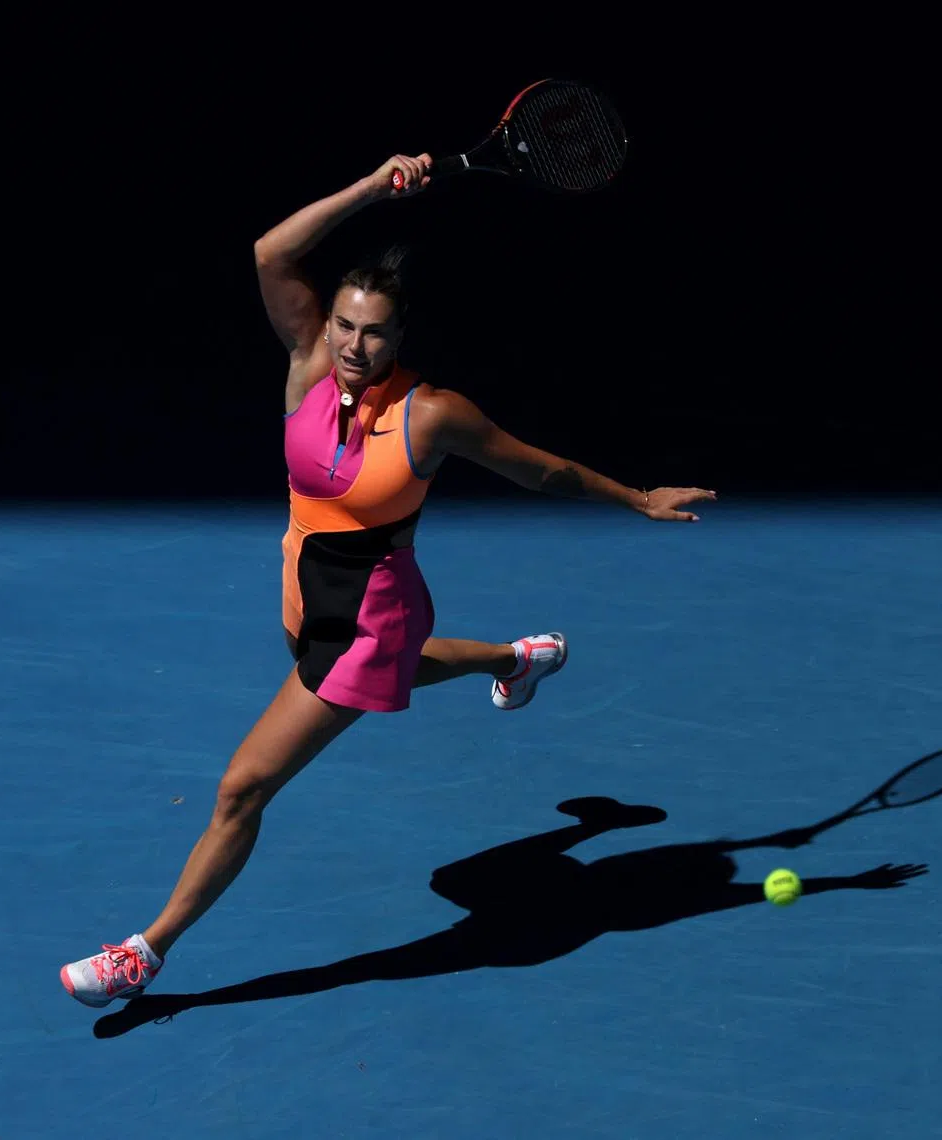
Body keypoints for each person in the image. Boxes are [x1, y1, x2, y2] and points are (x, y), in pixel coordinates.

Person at [59, 152, 716, 1007]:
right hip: (308, 602)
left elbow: (541, 472)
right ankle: (511, 661)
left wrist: (635, 497)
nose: (354, 346)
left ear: (400, 337)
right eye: (342, 325)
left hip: (368, 619)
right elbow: (268, 252)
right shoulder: (307, 366)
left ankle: (149, 951)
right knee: (446, 828)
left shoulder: (431, 414)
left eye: (373, 332)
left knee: (242, 787)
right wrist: (373, 187)